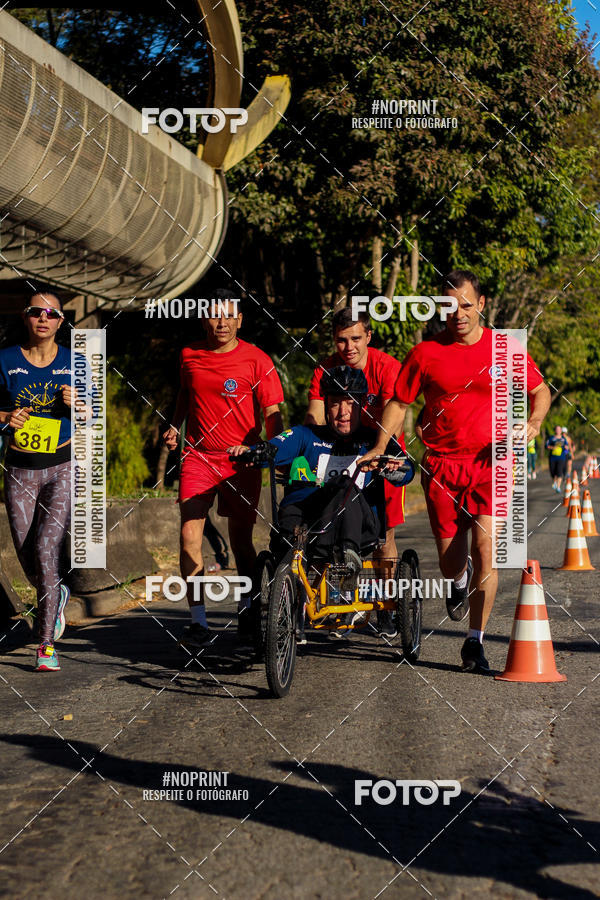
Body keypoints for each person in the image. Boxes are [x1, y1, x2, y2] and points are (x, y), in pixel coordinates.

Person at [359, 270, 551, 674]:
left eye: (466, 304)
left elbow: (540, 390)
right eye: (449, 305)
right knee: (450, 562)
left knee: (486, 551)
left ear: (481, 305)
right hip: (442, 468)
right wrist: (379, 446)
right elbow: (399, 402)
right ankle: (458, 582)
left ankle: (474, 643)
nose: (458, 313)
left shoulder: (505, 348)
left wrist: (533, 421)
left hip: (491, 463)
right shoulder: (426, 353)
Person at [229, 366, 413, 628]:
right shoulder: (308, 435)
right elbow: (276, 446)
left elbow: (407, 471)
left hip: (358, 527)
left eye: (350, 403)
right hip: (308, 522)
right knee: (291, 523)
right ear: (326, 406)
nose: (343, 412)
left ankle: (348, 560)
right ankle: (291, 600)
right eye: (335, 403)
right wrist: (252, 452)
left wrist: (391, 467)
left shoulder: (375, 440)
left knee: (343, 483)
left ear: (361, 405)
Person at [163, 296, 283, 648]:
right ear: (204, 321)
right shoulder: (189, 355)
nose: (221, 323)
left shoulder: (257, 360)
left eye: (229, 316)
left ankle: (247, 607)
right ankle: (198, 621)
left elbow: (272, 411)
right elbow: (186, 394)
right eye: (214, 317)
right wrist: (175, 426)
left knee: (241, 541)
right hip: (198, 456)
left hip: (242, 460)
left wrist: (277, 451)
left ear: (240, 320)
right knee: (189, 536)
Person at [305, 307, 405, 634]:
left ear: (368, 337)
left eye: (356, 339)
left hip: (380, 453)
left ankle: (387, 604)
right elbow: (315, 416)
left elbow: (397, 410)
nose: (349, 347)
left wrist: (379, 451)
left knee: (382, 537)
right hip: (339, 456)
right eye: (341, 340)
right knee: (331, 527)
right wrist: (308, 451)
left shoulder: (388, 367)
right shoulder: (325, 370)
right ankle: (338, 597)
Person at [0, 288, 77, 671]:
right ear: (26, 317)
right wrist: (4, 419)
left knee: (47, 550)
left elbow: (93, 412)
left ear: (61, 322)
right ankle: (56, 592)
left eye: (52, 314)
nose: (43, 318)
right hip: (19, 469)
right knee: (28, 553)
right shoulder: (6, 360)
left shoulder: (74, 362)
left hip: (62, 466)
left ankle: (45, 645)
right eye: (36, 312)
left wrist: (79, 403)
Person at [545, 425, 569, 492]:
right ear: (555, 430)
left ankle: (558, 487)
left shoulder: (563, 439)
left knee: (559, 472)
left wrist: (566, 450)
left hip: (561, 457)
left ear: (561, 431)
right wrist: (552, 447)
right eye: (557, 429)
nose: (558, 431)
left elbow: (567, 447)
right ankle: (555, 482)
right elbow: (546, 446)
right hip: (552, 458)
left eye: (559, 429)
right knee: (553, 472)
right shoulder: (551, 438)